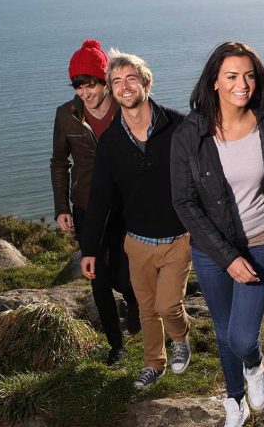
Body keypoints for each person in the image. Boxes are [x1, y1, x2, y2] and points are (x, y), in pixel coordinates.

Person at [171, 41, 264, 427]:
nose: (243, 84)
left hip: (259, 240)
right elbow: (184, 202)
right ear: (214, 83)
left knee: (241, 338)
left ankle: (254, 366)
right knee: (223, 332)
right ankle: (233, 400)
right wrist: (226, 256)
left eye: (249, 75)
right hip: (210, 248)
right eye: (232, 76)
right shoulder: (191, 133)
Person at [80, 49, 192, 389]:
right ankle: (153, 364)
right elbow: (99, 198)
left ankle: (181, 340)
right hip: (137, 242)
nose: (124, 87)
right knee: (146, 309)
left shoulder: (177, 125)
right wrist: (89, 249)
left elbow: (203, 176)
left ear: (146, 82)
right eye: (116, 81)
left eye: (131, 78)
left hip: (178, 238)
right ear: (111, 90)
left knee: (169, 304)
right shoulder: (111, 142)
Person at [50, 39, 140, 366]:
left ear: (105, 81)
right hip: (87, 207)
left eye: (91, 84)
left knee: (122, 275)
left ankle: (134, 308)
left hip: (124, 208)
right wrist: (62, 207)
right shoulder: (65, 116)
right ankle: (116, 347)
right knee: (97, 277)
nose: (85, 92)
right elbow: (60, 162)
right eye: (78, 86)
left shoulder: (128, 108)